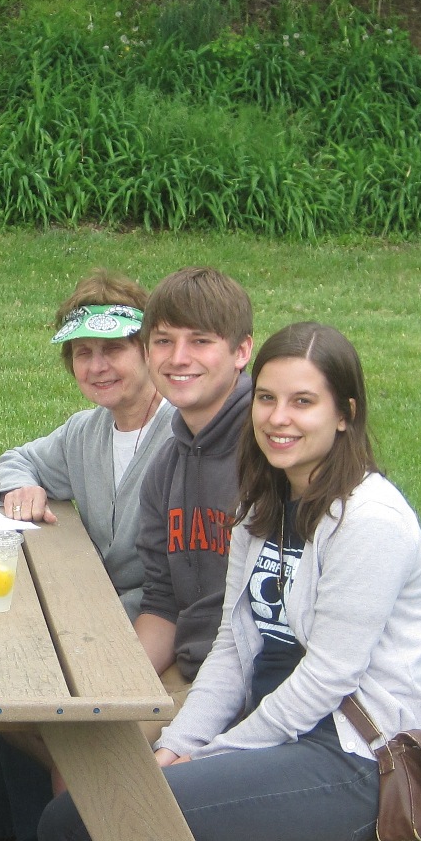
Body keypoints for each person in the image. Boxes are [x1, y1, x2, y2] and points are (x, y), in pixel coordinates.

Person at [38, 318, 421, 841]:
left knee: (85, 820)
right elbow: (232, 644)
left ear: (345, 414)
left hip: (352, 758)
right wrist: (179, 745)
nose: (279, 418)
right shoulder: (262, 508)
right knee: (100, 796)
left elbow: (329, 676)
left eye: (304, 402)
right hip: (274, 725)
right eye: (269, 398)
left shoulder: (370, 522)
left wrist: (217, 753)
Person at [0, 273, 178, 841]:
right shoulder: (87, 430)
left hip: (156, 628)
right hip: (101, 613)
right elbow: (15, 459)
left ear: (148, 350)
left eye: (113, 349)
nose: (97, 366)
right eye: (82, 353)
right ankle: (26, 838)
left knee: (69, 723)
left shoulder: (180, 432)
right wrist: (21, 490)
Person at [132, 266, 255, 704]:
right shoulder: (166, 465)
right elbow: (163, 602)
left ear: (241, 351)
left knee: (99, 757)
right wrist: (112, 687)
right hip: (190, 666)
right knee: (64, 726)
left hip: (256, 680)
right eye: (163, 341)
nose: (178, 357)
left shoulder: (269, 456)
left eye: (200, 341)